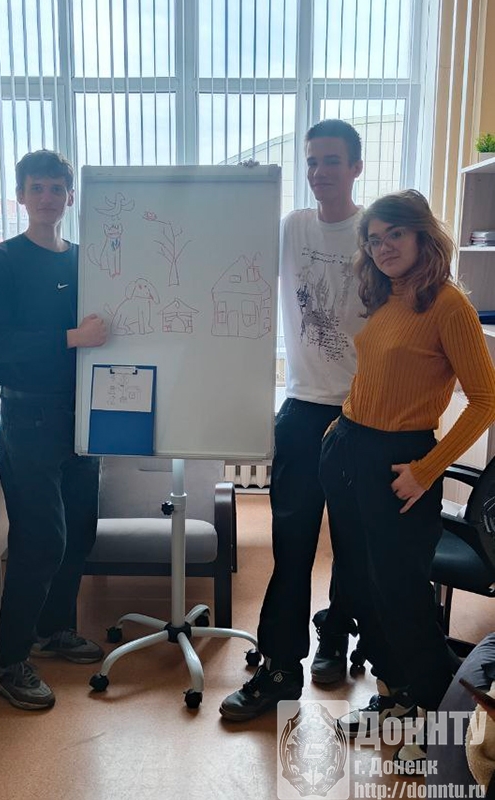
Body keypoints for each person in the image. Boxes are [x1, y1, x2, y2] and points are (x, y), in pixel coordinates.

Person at [319, 189, 495, 768]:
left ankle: (442, 722)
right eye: (374, 240)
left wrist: (426, 470)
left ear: (422, 235)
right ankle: (396, 697)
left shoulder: (447, 304)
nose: (383, 247)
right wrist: (340, 432)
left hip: (400, 464)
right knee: (363, 586)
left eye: (394, 233)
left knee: (403, 597)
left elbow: (485, 399)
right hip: (349, 449)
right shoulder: (387, 295)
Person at [220, 119, 366, 722]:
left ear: (355, 167)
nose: (318, 172)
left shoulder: (376, 233)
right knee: (292, 547)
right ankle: (281, 668)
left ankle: (336, 634)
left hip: (363, 414)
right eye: (311, 161)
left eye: (331, 160)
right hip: (303, 409)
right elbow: (236, 247)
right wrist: (243, 192)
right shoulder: (292, 228)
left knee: (353, 545)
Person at [0, 149, 108, 711]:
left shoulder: (85, 261)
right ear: (21, 196)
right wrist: (72, 339)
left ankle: (54, 631)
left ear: (70, 196)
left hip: (84, 415)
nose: (48, 198)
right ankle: (9, 663)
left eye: (57, 188)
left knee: (79, 531)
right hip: (28, 418)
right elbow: (1, 349)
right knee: (40, 540)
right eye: (38, 188)